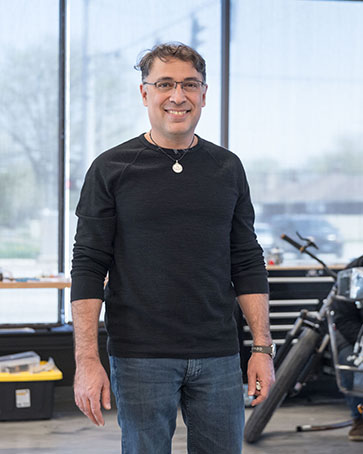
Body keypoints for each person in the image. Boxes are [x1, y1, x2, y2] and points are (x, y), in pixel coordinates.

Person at [71, 42, 275, 454]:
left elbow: (247, 260)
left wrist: (262, 348)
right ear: (145, 93)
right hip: (140, 356)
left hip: (218, 352)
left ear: (203, 94)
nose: (178, 95)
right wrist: (86, 360)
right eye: (164, 83)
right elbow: (88, 266)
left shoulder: (227, 168)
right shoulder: (111, 168)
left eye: (189, 84)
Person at [333, 266, 363, 442]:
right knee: (352, 362)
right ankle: (360, 418)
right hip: (355, 334)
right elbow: (343, 319)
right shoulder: (352, 273)